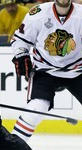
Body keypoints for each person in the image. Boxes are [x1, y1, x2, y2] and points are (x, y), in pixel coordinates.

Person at [11, 0, 82, 141]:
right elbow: (20, 39)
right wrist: (21, 54)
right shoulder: (38, 13)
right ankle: (13, 149)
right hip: (44, 71)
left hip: (78, 71)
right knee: (36, 108)